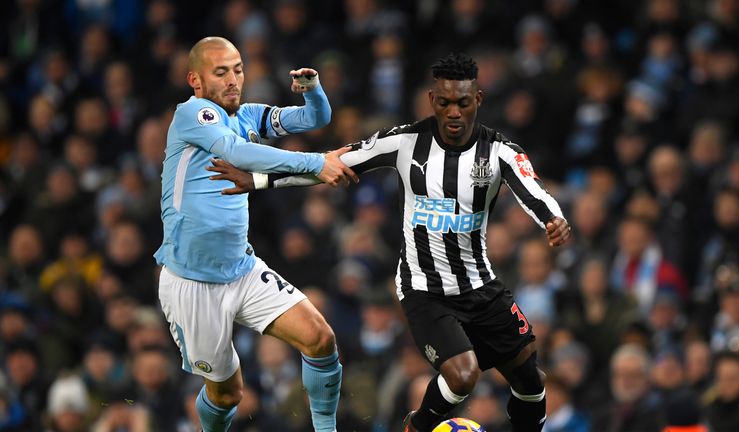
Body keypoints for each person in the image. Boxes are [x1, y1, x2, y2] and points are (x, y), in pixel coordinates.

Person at [207, 52, 571, 431]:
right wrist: (260, 180)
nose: (453, 113)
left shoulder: (499, 151)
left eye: (463, 103)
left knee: (531, 382)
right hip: (424, 290)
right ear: (432, 100)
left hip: (481, 287)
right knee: (463, 376)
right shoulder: (403, 142)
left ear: (477, 100)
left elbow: (534, 191)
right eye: (444, 103)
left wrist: (553, 219)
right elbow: (330, 163)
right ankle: (415, 426)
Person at [154, 36, 357, 432]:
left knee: (320, 339)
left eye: (238, 69)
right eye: (221, 72)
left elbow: (314, 120)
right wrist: (317, 163)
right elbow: (238, 153)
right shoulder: (193, 114)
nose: (233, 80)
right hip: (193, 283)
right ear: (195, 80)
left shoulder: (246, 115)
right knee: (228, 394)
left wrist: (313, 92)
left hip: (242, 269)